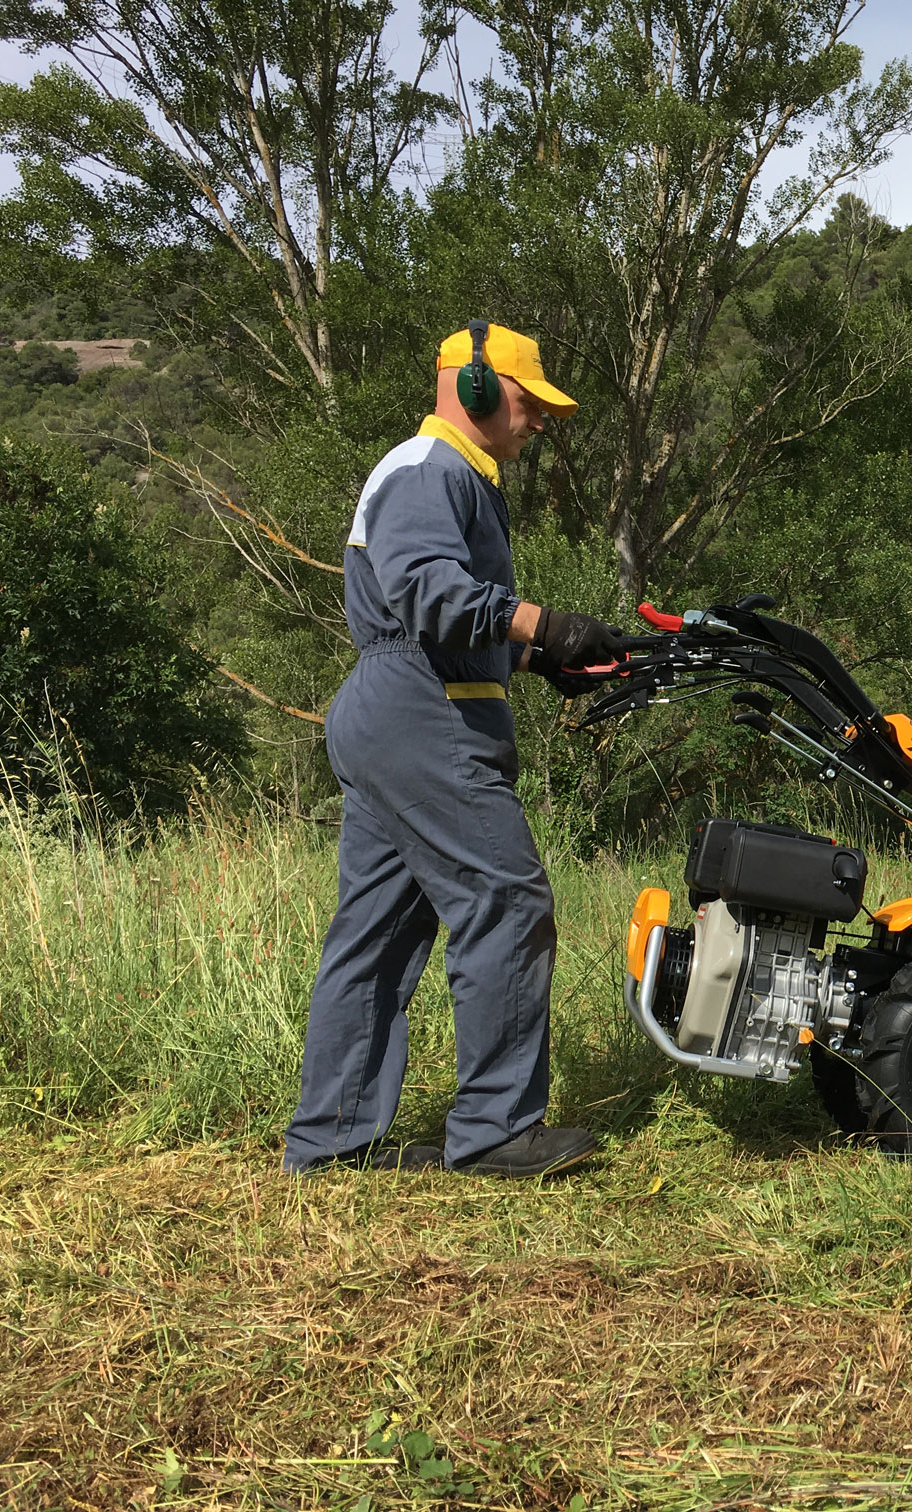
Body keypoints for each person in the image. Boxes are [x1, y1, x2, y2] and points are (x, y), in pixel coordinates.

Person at [283, 321, 621, 1178]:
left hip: (405, 709)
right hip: (419, 716)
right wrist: (545, 622)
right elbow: (429, 593)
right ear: (474, 386)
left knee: (379, 933)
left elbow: (442, 624)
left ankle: (330, 1141)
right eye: (527, 400)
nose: (537, 419)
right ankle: (496, 1132)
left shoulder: (451, 474)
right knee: (507, 900)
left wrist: (539, 659)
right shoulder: (427, 469)